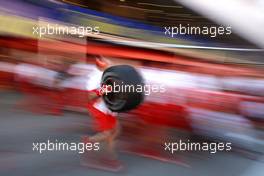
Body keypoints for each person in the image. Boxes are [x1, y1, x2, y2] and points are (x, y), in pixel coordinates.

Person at [81, 56, 122, 171]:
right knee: (107, 134)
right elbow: (91, 96)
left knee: (116, 130)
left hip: (109, 108)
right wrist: (106, 89)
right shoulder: (94, 78)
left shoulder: (109, 76)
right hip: (99, 108)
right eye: (110, 64)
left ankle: (107, 156)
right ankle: (89, 142)